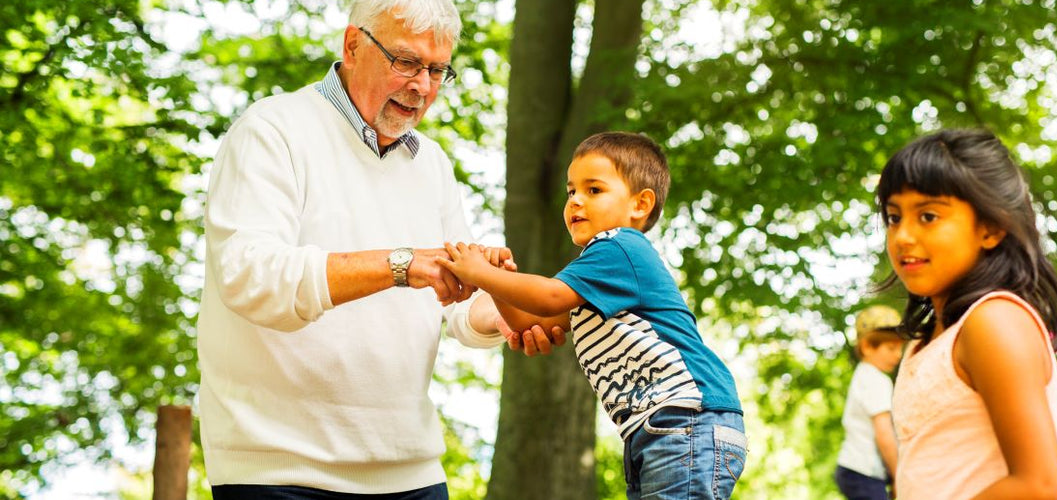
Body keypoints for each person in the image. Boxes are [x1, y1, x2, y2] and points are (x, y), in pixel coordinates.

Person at [196, 1, 562, 498]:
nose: (423, 86)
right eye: (406, 62)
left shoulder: (432, 164)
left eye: (437, 70)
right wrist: (402, 264)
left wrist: (499, 307)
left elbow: (455, 305)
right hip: (278, 473)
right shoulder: (271, 130)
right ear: (352, 46)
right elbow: (250, 277)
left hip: (412, 473)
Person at [436, 132, 748, 499]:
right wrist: (497, 284)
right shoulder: (597, 275)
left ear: (640, 204)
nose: (576, 201)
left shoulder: (619, 247)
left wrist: (482, 273)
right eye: (571, 192)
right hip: (656, 428)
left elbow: (549, 297)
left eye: (594, 190)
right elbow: (527, 322)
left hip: (686, 418)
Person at [876, 129, 1057, 499]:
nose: (902, 236)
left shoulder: (994, 322)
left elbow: (1040, 486)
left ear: (991, 227)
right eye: (893, 217)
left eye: (928, 215)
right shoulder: (928, 339)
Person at [835, 305, 905, 500]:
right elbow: (884, 434)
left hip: (854, 469)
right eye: (891, 348)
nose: (898, 355)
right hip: (864, 472)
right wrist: (900, 476)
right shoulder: (877, 380)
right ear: (867, 346)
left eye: (900, 347)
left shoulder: (863, 375)